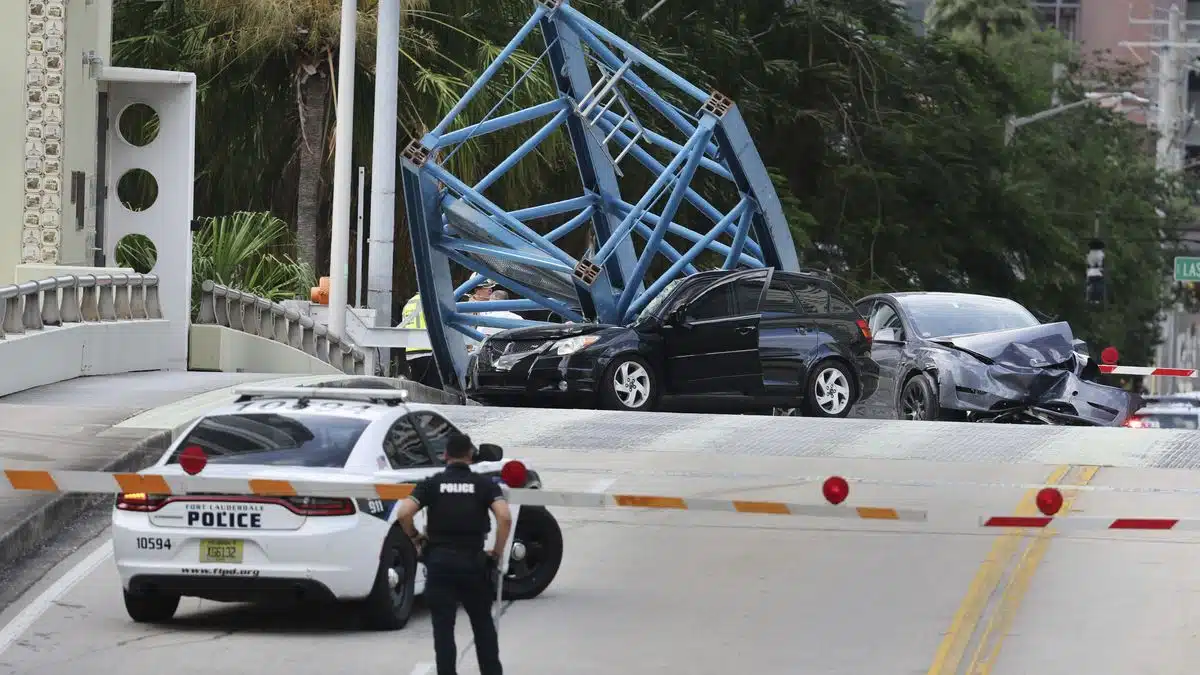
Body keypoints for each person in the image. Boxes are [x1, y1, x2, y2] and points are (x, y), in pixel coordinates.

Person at [394, 432, 512, 675]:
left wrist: (416, 538)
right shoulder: (483, 485)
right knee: (483, 627)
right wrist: (497, 553)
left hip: (440, 563)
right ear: (470, 455)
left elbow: (404, 512)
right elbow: (504, 517)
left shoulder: (432, 484)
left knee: (443, 631)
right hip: (473, 564)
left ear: (445, 455)